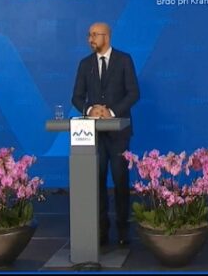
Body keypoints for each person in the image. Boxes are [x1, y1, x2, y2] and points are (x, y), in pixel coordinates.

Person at [71, 22, 140, 246]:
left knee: (120, 180)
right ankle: (101, 229)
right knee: (97, 180)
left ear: (107, 37)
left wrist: (111, 112)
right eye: (89, 35)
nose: (90, 39)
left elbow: (133, 93)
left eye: (95, 35)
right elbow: (76, 97)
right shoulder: (85, 64)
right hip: (94, 135)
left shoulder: (124, 60)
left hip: (119, 134)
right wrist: (91, 110)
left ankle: (123, 229)